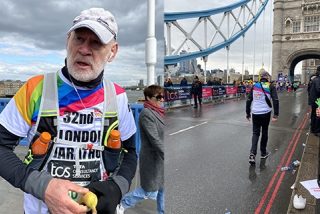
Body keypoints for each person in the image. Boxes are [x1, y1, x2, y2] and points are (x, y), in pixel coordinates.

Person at [0, 8, 137, 214]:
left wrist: (118, 187)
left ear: (113, 51)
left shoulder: (117, 95)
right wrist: (43, 186)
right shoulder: (35, 88)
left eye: (96, 43)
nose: (84, 49)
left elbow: (131, 152)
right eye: (79, 39)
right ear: (67, 40)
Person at [116, 85, 165, 214]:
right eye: (158, 97)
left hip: (159, 159)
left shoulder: (159, 111)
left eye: (163, 96)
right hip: (152, 159)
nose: (162, 99)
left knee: (162, 189)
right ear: (148, 98)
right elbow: (154, 139)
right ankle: (122, 204)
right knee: (148, 190)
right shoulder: (146, 114)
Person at [246, 71, 279, 165]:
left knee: (255, 133)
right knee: (264, 131)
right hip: (265, 112)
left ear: (260, 77)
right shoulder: (270, 86)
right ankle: (263, 153)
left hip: (255, 112)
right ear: (267, 77)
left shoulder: (255, 85)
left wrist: (247, 113)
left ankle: (252, 154)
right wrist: (276, 114)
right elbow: (276, 100)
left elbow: (249, 100)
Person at [309, 66, 320, 136]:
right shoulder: (318, 79)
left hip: (313, 100)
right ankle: (317, 131)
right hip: (317, 101)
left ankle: (313, 129)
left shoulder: (314, 79)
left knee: (313, 115)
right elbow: (319, 89)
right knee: (318, 115)